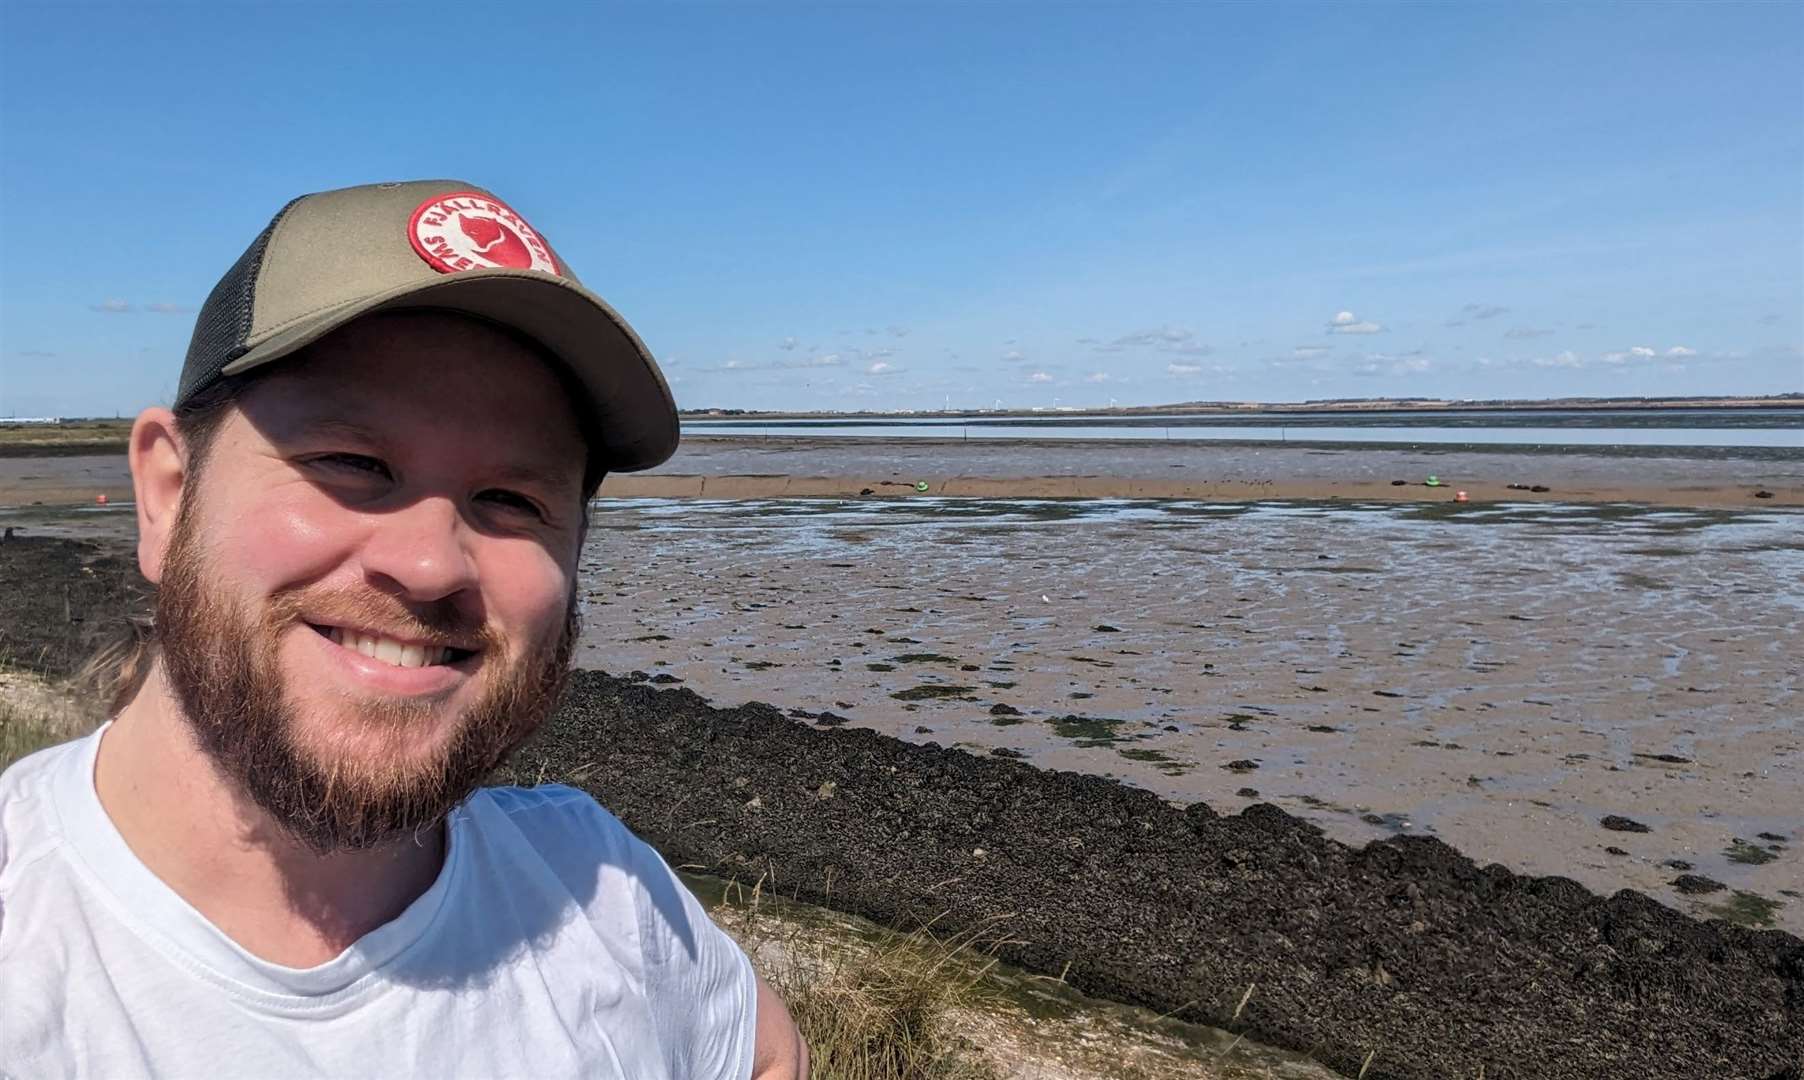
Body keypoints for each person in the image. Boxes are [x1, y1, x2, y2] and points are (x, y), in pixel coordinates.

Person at [0, 180, 808, 1078]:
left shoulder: (600, 884)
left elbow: (765, 1052)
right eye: (351, 461)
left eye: (510, 498)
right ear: (166, 497)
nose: (431, 564)